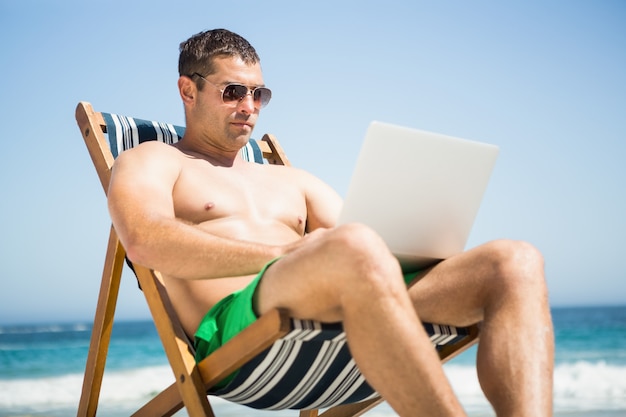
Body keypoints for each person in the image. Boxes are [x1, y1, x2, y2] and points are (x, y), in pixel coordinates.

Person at [107, 28, 554, 416]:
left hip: (340, 311)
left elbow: (371, 248)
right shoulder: (153, 160)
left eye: (258, 94)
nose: (250, 106)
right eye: (233, 92)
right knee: (354, 243)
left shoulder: (290, 179)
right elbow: (145, 241)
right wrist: (281, 253)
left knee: (514, 261)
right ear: (188, 91)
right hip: (239, 332)